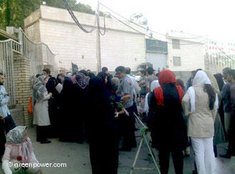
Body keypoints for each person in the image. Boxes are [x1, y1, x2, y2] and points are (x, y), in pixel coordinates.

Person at [148, 70, 187, 174]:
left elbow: (152, 112)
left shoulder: (156, 92)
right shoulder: (180, 90)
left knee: (163, 155)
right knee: (178, 154)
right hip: (177, 127)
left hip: (161, 128)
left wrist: (150, 127)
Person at [183, 70, 217, 174]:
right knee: (209, 151)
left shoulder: (192, 89)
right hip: (208, 122)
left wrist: (187, 112)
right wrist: (212, 119)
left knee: (199, 153)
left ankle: (201, 172)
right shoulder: (212, 90)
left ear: (196, 78)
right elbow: (215, 108)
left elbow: (184, 100)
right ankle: (212, 171)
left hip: (195, 123)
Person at [87, 76, 119, 174]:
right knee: (110, 159)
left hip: (94, 133)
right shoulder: (105, 97)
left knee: (96, 159)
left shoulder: (87, 96)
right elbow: (111, 114)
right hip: (108, 133)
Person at [115, 66, 136, 151]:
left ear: (122, 72)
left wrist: (121, 107)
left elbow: (126, 96)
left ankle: (127, 146)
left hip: (126, 106)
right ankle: (132, 143)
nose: (117, 75)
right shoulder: (127, 79)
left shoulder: (126, 81)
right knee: (130, 126)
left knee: (126, 127)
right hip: (129, 105)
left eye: (118, 73)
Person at [33, 75, 52, 144]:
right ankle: (43, 139)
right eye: (45, 80)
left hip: (38, 106)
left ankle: (39, 138)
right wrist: (49, 95)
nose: (46, 81)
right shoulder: (42, 88)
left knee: (39, 123)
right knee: (43, 123)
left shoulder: (36, 86)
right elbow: (43, 98)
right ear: (42, 80)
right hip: (42, 107)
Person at [220, 67, 233, 158]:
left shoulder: (227, 85)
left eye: (224, 74)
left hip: (228, 110)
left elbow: (222, 96)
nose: (223, 75)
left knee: (229, 130)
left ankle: (230, 151)